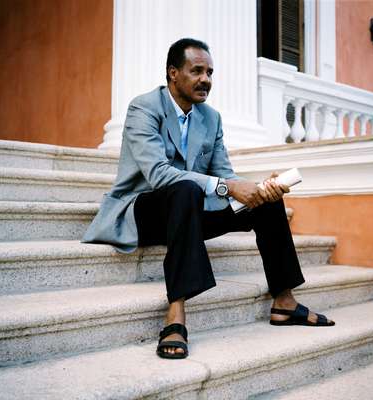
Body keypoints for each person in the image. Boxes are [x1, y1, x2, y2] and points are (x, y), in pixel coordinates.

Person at [82, 38, 334, 360]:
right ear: (173, 73)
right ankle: (176, 313)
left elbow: (224, 173)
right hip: (143, 211)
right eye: (197, 71)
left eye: (210, 72)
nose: (206, 80)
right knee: (184, 189)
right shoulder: (144, 108)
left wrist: (257, 188)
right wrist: (228, 187)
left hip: (189, 212)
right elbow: (159, 174)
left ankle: (284, 301)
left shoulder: (210, 118)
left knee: (268, 201)